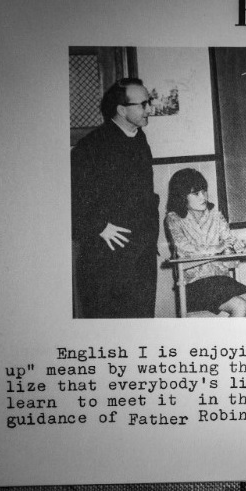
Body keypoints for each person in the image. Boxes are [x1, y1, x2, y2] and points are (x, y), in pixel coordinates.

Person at [71, 78, 161, 318]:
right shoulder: (91, 147)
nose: (149, 109)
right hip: (106, 263)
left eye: (149, 102)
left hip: (141, 259)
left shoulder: (139, 139)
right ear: (122, 110)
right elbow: (70, 199)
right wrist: (98, 227)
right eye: (143, 104)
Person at [165, 169, 246, 317]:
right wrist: (216, 248)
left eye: (204, 191)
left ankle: (245, 340)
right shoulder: (173, 218)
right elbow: (183, 249)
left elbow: (229, 239)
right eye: (196, 193)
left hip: (220, 279)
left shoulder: (216, 216)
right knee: (240, 305)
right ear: (181, 196)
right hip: (193, 284)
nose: (203, 196)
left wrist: (236, 245)